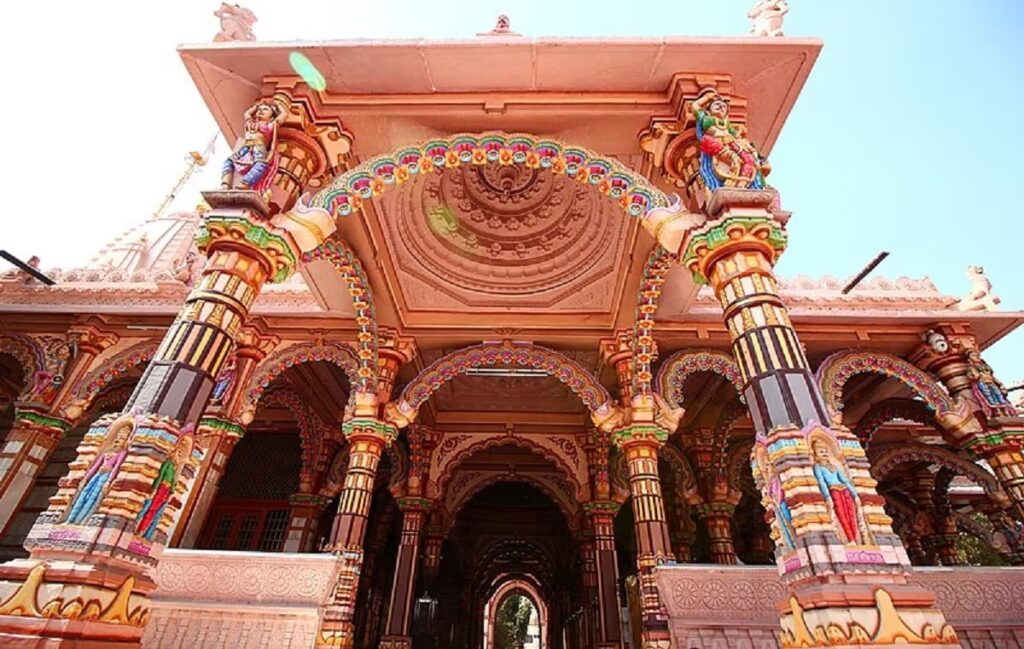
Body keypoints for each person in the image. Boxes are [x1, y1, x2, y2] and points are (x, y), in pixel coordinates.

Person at [689, 88, 770, 191]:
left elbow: (738, 137)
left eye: (723, 106)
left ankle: (742, 184)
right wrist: (707, 97)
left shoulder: (727, 125)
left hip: (731, 142)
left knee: (748, 160)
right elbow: (694, 106)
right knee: (734, 161)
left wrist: (754, 152)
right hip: (716, 143)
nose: (720, 107)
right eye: (716, 105)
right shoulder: (705, 118)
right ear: (708, 111)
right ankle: (729, 185)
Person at [66, 418, 133, 524]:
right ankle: (70, 520)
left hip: (106, 476)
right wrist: (86, 478)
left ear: (126, 441)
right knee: (84, 494)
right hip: (97, 475)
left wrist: (109, 481)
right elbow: (96, 466)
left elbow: (117, 467)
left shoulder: (122, 452)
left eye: (122, 438)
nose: (119, 439)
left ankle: (83, 521)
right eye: (118, 436)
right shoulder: (108, 451)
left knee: (94, 498)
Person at [221, 99, 286, 193]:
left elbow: (283, 115)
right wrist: (257, 106)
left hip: (259, 146)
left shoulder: (270, 125)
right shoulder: (251, 123)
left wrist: (278, 105)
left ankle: (244, 184)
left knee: (261, 164)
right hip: (247, 146)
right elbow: (246, 114)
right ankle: (225, 185)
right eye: (260, 109)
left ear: (271, 116)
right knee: (229, 161)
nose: (261, 111)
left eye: (265, 109)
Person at [135, 437, 192, 540]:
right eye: (178, 452)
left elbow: (174, 482)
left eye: (181, 453)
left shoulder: (175, 467)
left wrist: (172, 492)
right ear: (173, 452)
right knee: (151, 508)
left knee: (157, 512)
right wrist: (155, 488)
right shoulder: (168, 463)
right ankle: (139, 529)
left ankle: (147, 533)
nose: (179, 454)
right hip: (160, 488)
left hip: (166, 491)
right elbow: (160, 475)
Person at [811, 439, 860, 543]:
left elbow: (845, 481)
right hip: (833, 491)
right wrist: (827, 496)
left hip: (845, 490)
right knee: (842, 516)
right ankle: (850, 539)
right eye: (821, 452)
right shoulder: (818, 467)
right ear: (815, 455)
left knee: (851, 515)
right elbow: (821, 481)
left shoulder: (834, 467)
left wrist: (855, 495)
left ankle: (855, 539)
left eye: (825, 451)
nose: (824, 454)